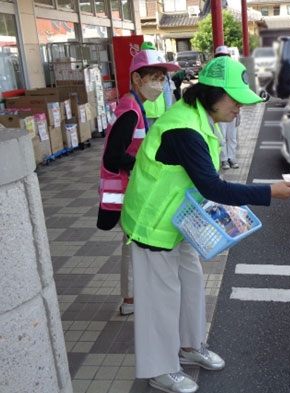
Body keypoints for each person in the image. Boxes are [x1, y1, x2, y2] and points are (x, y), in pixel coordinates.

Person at [120, 56, 290, 393]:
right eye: (234, 99)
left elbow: (204, 181)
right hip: (152, 223)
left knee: (190, 284)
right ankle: (159, 369)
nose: (239, 108)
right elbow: (213, 186)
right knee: (160, 298)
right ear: (211, 94)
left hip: (179, 219)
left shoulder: (200, 118)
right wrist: (270, 191)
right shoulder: (185, 129)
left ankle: (189, 346)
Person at [96, 49, 179, 316]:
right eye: (153, 77)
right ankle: (131, 299)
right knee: (133, 243)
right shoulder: (131, 111)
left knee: (132, 242)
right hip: (123, 190)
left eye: (162, 78)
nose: (159, 84)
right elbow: (113, 156)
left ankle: (131, 298)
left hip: (128, 187)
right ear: (136, 79)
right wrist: (145, 164)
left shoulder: (134, 105)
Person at [214, 45, 240, 169]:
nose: (223, 60)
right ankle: (224, 159)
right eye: (220, 57)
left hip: (233, 108)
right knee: (221, 135)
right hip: (219, 109)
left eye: (225, 57)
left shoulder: (234, 71)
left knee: (232, 135)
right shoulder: (212, 74)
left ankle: (232, 158)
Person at [141, 42, 174, 127]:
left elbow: (167, 93)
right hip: (145, 114)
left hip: (160, 113)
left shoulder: (162, 74)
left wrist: (168, 112)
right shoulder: (139, 74)